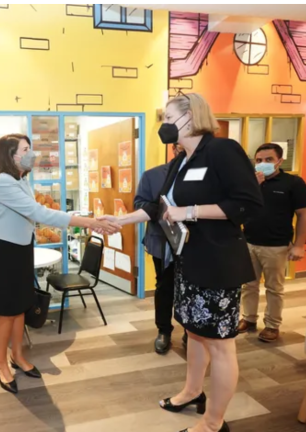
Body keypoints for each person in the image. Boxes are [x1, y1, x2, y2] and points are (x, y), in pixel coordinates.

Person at [98, 94, 262, 432]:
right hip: (189, 260)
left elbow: (247, 203)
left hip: (218, 263)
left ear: (190, 116)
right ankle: (192, 390)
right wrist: (120, 221)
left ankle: (213, 422)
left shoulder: (222, 151)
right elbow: (160, 208)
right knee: (193, 332)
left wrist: (191, 211)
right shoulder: (181, 160)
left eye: (169, 116)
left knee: (219, 344)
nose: (165, 123)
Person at [0, 133, 120, 394]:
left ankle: (18, 355)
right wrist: (89, 222)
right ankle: (1, 363)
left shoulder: (19, 179)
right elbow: (39, 213)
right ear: (10, 155)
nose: (31, 154)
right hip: (3, 252)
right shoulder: (2, 183)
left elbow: (35, 211)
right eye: (25, 149)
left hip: (20, 248)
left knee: (21, 305)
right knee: (7, 310)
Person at [240, 143, 306, 342]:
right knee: (248, 285)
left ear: (279, 160)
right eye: (259, 160)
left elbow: (303, 214)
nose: (263, 164)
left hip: (276, 245)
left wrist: (299, 245)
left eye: (268, 160)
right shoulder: (249, 182)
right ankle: (249, 319)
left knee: (274, 288)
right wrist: (254, 185)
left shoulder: (293, 183)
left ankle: (272, 325)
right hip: (249, 241)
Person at [134, 143, 188, 354]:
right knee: (164, 287)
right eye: (180, 146)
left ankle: (190, 332)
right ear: (174, 148)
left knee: (190, 289)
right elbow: (139, 203)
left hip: (195, 243)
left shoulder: (204, 175)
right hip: (162, 241)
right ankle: (164, 330)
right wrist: (162, 210)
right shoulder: (153, 175)